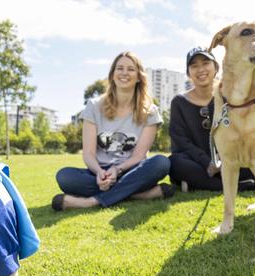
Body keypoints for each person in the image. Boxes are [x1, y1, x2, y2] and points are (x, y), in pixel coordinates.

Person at [52, 51, 172, 211]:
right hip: (98, 173)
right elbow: (88, 154)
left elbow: (138, 156)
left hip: (132, 171)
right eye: (119, 68)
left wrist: (117, 169)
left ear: (138, 77)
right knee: (65, 177)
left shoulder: (150, 111)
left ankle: (90, 202)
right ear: (112, 75)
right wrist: (100, 172)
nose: (124, 73)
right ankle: (137, 194)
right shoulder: (94, 106)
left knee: (161, 163)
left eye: (130, 69)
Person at [168, 47, 255, 192]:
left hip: (229, 159)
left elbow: (242, 132)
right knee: (175, 163)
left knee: (251, 159)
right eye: (194, 66)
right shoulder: (179, 102)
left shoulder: (231, 96)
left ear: (216, 67)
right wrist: (207, 162)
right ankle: (236, 186)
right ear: (188, 73)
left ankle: (199, 183)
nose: (200, 69)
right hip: (197, 163)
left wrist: (222, 158)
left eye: (205, 63)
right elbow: (181, 142)